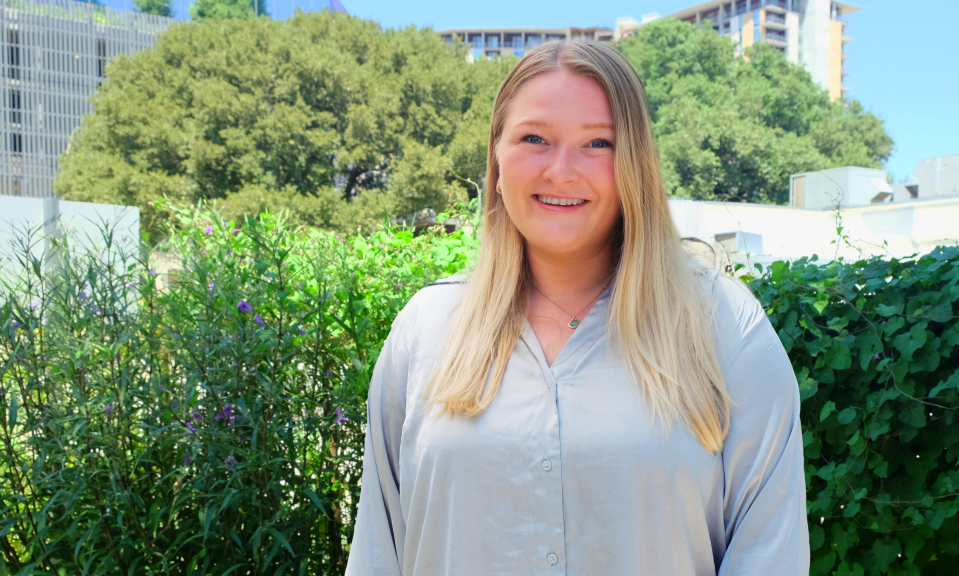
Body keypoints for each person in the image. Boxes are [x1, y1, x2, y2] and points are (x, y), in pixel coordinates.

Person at [345, 39, 809, 575]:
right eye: (534, 137)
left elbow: (768, 557)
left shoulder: (725, 327)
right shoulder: (424, 332)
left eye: (597, 143)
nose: (561, 170)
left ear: (636, 162)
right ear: (496, 154)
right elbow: (378, 553)